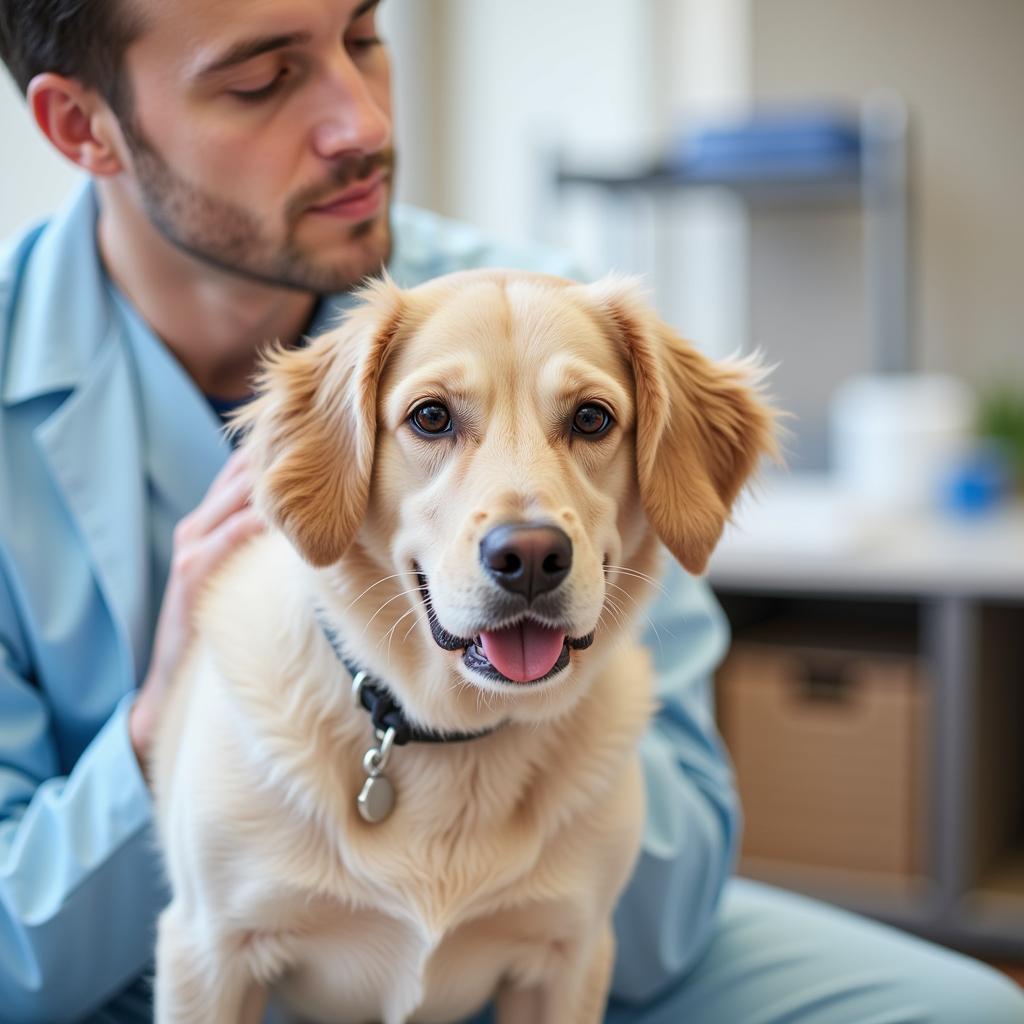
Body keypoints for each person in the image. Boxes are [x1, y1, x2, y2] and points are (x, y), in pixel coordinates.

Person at [0, 1, 1022, 1022]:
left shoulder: (563, 315)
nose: (360, 122)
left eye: (362, 38)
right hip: (126, 971)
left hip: (540, 937)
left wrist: (519, 736)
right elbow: (14, 958)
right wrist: (150, 728)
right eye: (261, 80)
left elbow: (660, 924)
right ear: (80, 126)